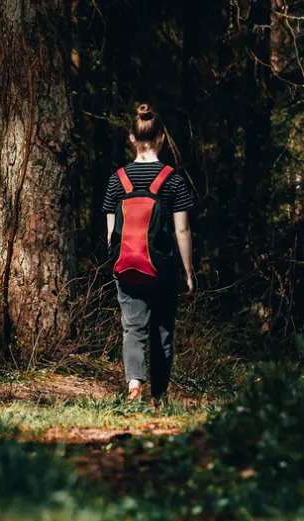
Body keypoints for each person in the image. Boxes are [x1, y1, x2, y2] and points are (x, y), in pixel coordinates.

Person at [102, 104, 195, 402]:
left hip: (128, 265)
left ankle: (134, 386)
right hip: (163, 267)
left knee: (133, 328)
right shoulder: (174, 180)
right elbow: (182, 231)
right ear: (162, 139)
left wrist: (116, 262)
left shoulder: (118, 179)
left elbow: (110, 232)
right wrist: (188, 271)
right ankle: (159, 396)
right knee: (163, 331)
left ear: (131, 137)